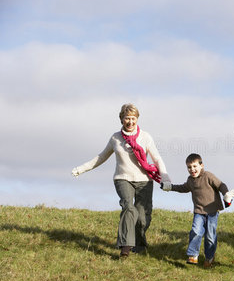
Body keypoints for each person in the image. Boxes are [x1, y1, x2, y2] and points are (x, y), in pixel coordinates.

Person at [71, 103, 171, 257]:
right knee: (128, 208)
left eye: (133, 118)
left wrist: (165, 178)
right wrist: (81, 169)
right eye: (126, 119)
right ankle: (125, 246)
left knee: (143, 217)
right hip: (122, 178)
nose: (130, 122)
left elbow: (157, 158)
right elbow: (101, 157)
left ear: (137, 119)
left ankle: (139, 243)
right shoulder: (115, 138)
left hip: (144, 180)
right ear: (121, 120)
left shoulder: (145, 137)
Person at [161, 153, 229, 268]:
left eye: (194, 166)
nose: (192, 169)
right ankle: (193, 255)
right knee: (196, 231)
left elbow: (221, 185)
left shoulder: (208, 176)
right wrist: (170, 187)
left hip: (212, 211)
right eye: (189, 167)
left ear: (201, 165)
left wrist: (226, 195)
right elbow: (183, 188)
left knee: (210, 236)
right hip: (199, 211)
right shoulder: (190, 180)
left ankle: (209, 257)